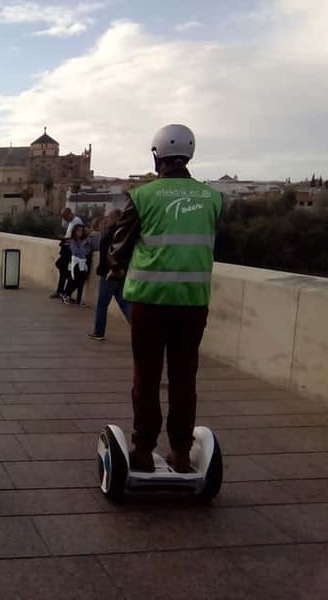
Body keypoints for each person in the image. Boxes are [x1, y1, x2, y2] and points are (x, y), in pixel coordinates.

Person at [108, 124, 222, 473]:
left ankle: (143, 449)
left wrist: (116, 266)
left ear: (156, 156)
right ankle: (182, 453)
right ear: (189, 155)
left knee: (146, 375)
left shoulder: (143, 197)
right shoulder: (213, 198)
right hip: (192, 303)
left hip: (149, 301)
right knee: (184, 378)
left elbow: (119, 249)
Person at [88, 209, 131, 340]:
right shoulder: (126, 234)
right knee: (124, 303)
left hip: (110, 273)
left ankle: (99, 332)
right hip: (121, 273)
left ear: (117, 219)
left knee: (102, 304)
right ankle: (140, 329)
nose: (107, 220)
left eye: (109, 217)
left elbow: (108, 254)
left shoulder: (110, 234)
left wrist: (113, 268)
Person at [50, 207, 83, 299]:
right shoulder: (71, 222)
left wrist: (63, 238)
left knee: (62, 267)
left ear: (69, 213)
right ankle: (61, 291)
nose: (64, 219)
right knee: (62, 268)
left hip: (70, 250)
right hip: (66, 248)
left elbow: (76, 237)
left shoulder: (77, 221)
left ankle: (63, 291)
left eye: (65, 217)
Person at [61, 223, 90, 306]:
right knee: (75, 281)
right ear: (75, 232)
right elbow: (75, 252)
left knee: (81, 283)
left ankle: (78, 300)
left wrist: (83, 252)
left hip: (83, 264)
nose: (80, 233)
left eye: (81, 231)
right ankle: (66, 295)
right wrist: (82, 252)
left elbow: (85, 252)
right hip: (76, 263)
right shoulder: (73, 241)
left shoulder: (82, 241)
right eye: (78, 231)